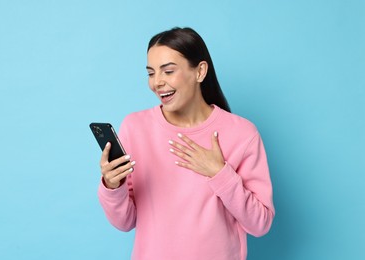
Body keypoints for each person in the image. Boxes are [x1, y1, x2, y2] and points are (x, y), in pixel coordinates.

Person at [98, 27, 275, 260]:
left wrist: (220, 173)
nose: (157, 83)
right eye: (151, 73)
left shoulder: (241, 133)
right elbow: (125, 222)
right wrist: (113, 187)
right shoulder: (135, 128)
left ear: (200, 71)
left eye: (168, 71)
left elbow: (260, 224)